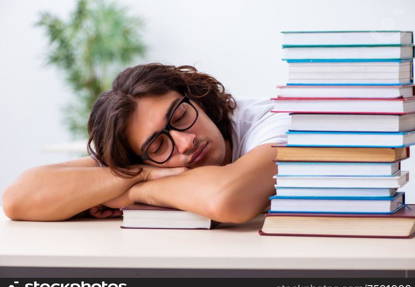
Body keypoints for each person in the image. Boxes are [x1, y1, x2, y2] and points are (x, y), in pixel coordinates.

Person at [2, 63, 289, 222]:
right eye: (157, 146)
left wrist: (136, 193)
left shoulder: (274, 119)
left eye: (180, 115)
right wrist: (144, 173)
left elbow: (227, 199)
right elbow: (18, 199)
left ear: (196, 98)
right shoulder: (145, 164)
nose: (185, 141)